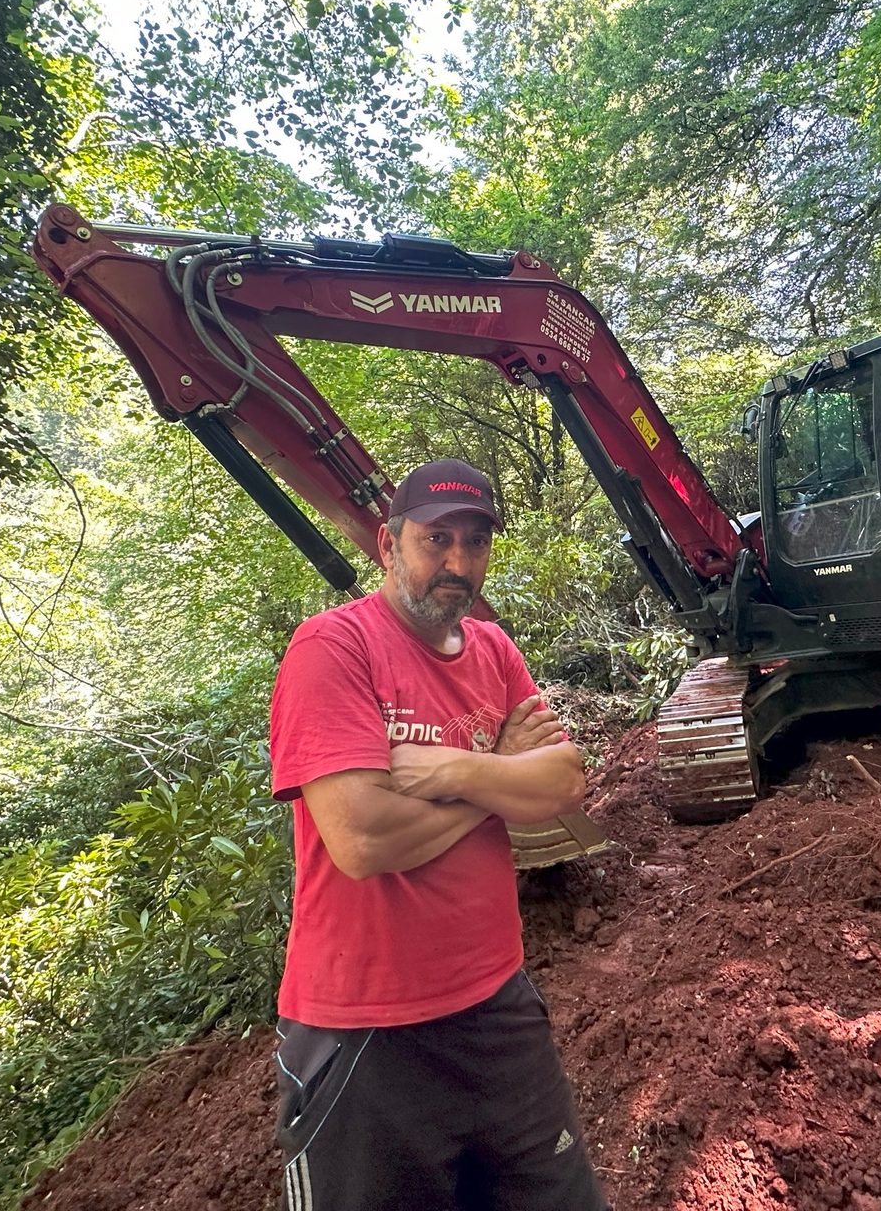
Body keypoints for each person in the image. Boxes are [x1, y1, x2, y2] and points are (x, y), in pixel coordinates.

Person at [266, 457, 608, 1211]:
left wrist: (452, 769)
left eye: (476, 542)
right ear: (389, 546)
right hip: (367, 1031)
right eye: (436, 539)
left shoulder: (493, 650)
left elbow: (563, 782)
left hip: (497, 1008)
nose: (458, 562)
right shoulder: (333, 650)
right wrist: (497, 773)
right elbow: (363, 842)